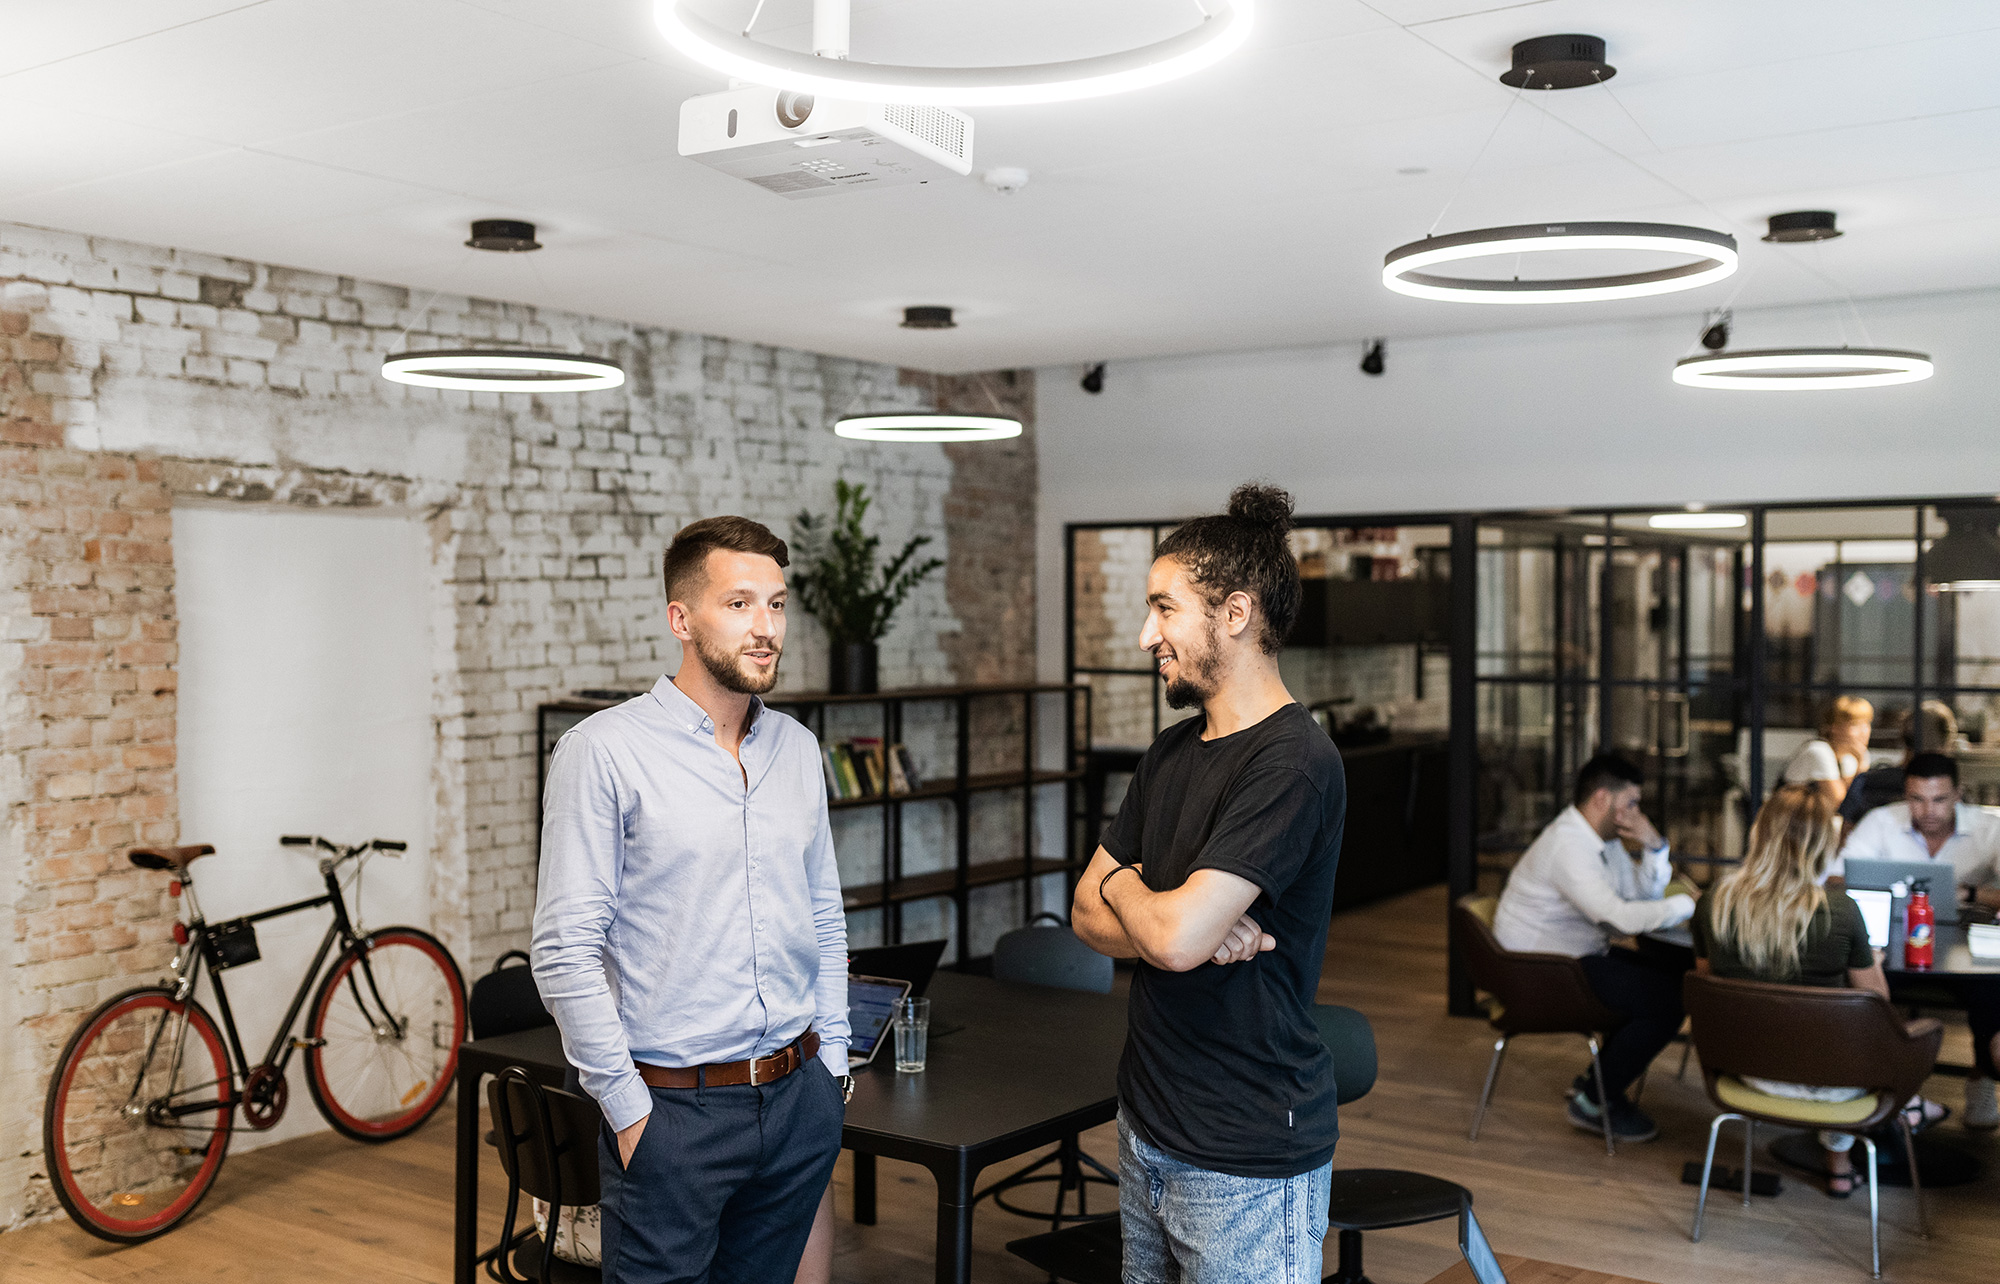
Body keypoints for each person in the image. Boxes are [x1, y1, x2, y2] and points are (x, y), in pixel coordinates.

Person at [532, 515, 852, 1284]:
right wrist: (630, 1111)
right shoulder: (602, 752)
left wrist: (832, 1068)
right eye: (739, 604)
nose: (766, 627)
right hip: (674, 1113)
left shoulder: (798, 749)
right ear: (681, 619)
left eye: (776, 604)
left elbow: (823, 914)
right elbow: (563, 951)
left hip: (797, 1096)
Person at [1071, 483, 1346, 1284]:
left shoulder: (1293, 762)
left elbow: (1164, 930)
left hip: (1249, 1147)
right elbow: (1085, 913)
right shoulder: (1170, 752)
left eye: (1164, 608)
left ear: (1235, 613)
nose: (1144, 633)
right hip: (1149, 1121)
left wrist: (1138, 893)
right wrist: (1164, 915)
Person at [1693, 787, 1945, 1197]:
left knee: (1827, 1038)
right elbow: (1878, 1007)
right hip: (1832, 1082)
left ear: (1760, 835)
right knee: (1860, 1039)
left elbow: (1711, 993)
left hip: (1745, 1072)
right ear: (1822, 845)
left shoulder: (1714, 903)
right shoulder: (1841, 910)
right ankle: (1851, 1155)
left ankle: (1847, 1158)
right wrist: (1870, 965)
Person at [1492, 753, 1696, 1143]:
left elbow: (1638, 897)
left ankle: (1596, 1079)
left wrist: (1654, 846)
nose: (1636, 813)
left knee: (1672, 977)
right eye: (1631, 804)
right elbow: (1618, 920)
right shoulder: (1568, 845)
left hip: (1573, 954)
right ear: (1603, 798)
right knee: (1668, 1000)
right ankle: (1594, 1100)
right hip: (1538, 969)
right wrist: (1688, 904)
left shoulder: (1604, 841)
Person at [1835, 751, 2000, 1130]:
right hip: (1891, 948)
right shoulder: (1881, 822)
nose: (1928, 810)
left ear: (1959, 794)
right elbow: (1834, 879)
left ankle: (1982, 1078)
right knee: (1859, 992)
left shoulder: (1989, 829)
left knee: (1992, 991)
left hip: (1964, 947)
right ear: (1905, 795)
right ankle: (1883, 1093)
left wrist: (1972, 894)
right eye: (1916, 799)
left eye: (1939, 799)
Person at [1838, 700, 1960, 827]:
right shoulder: (1953, 794)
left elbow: (1846, 836)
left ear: (1903, 738)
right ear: (1946, 744)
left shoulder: (1866, 784)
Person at [1782, 694, 1874, 810]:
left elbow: (1857, 801)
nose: (1864, 732)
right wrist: (1861, 765)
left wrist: (1860, 763)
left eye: (1867, 724)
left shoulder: (1854, 757)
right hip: (1790, 821)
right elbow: (1840, 802)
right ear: (1834, 727)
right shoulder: (1818, 750)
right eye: (1855, 725)